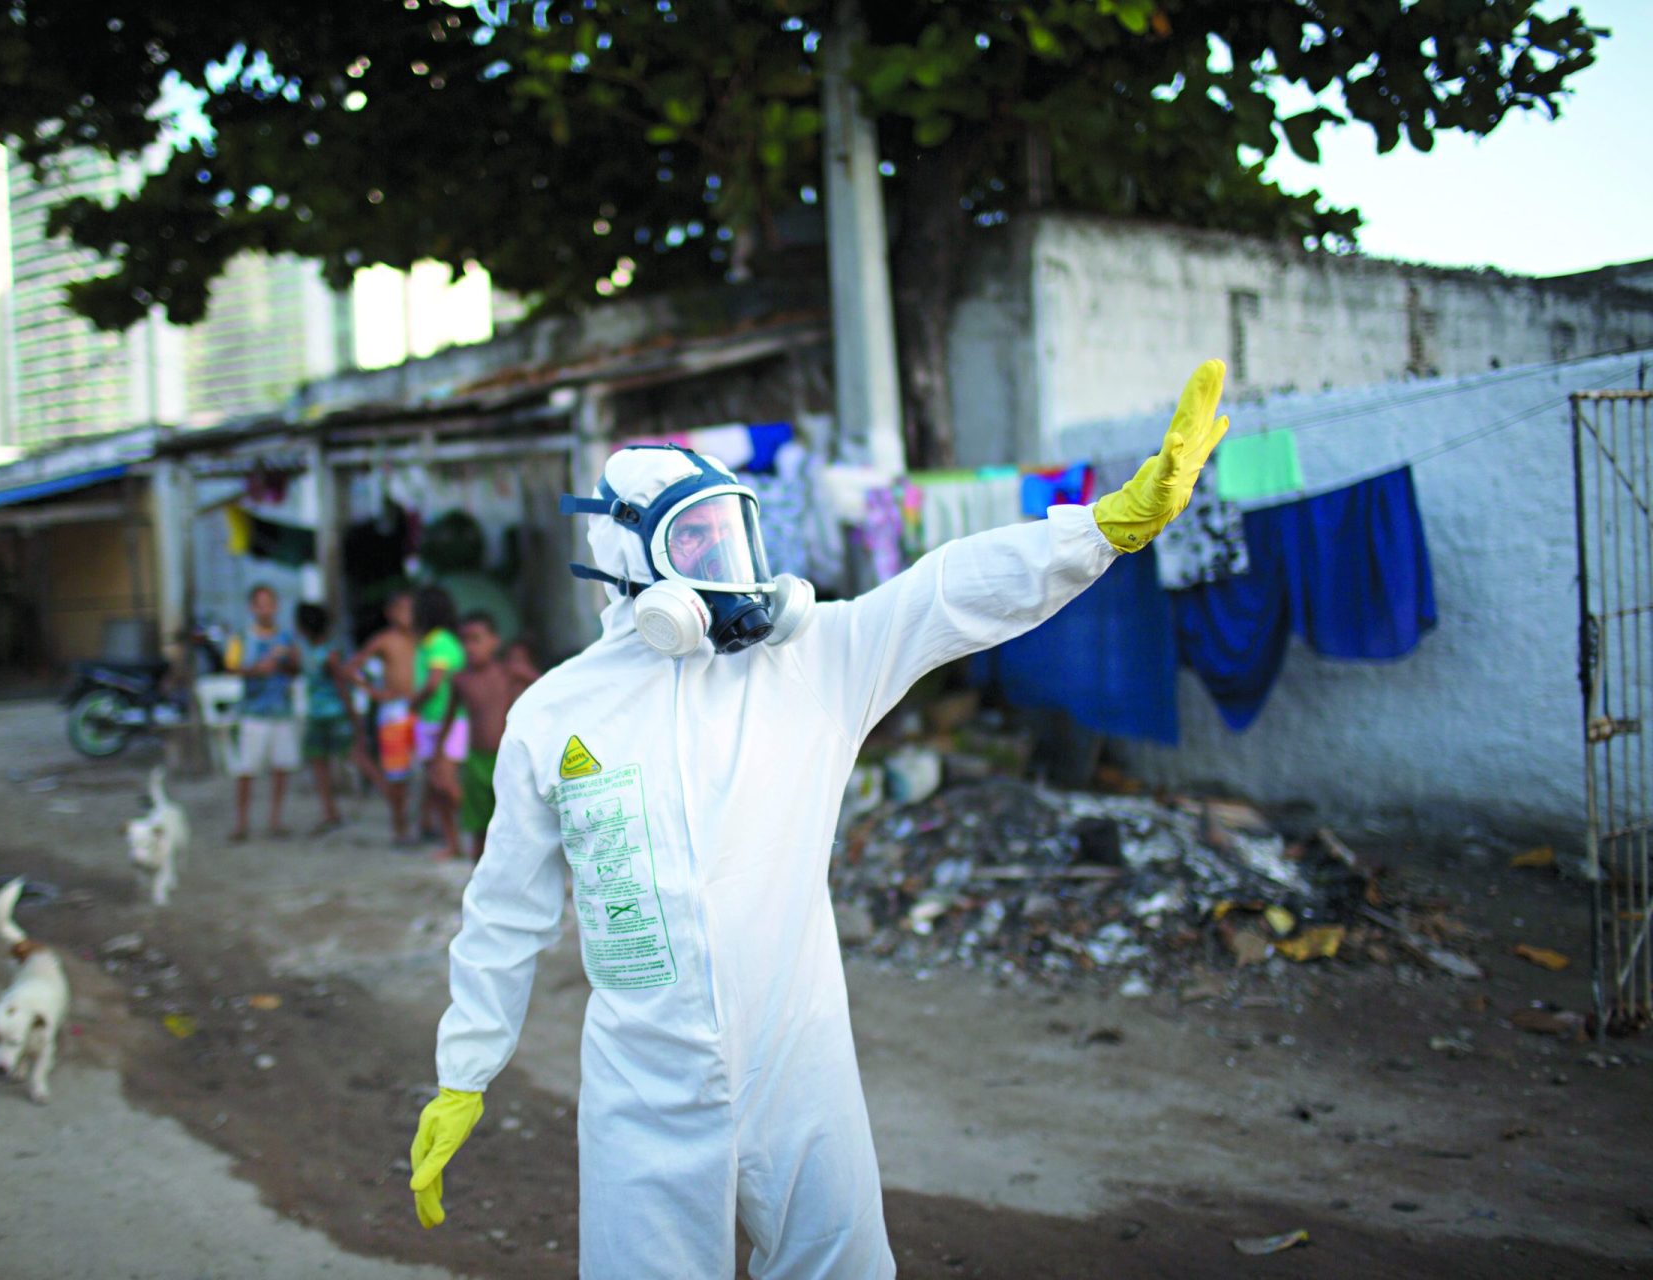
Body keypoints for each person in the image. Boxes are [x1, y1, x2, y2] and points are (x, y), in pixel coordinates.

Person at [408, 362, 1232, 1277]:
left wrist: (1102, 530)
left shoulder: (814, 665)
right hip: (645, 1090)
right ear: (630, 562)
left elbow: (947, 591)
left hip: (800, 1064)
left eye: (734, 535)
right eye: (699, 544)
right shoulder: (555, 716)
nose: (730, 570)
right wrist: (464, 1069)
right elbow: (506, 911)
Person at [432, 614, 534, 862]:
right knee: (479, 827)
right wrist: (439, 757)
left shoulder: (509, 673)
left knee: (516, 824)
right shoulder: (460, 679)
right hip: (476, 762)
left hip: (508, 759)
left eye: (476, 639)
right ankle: (479, 882)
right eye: (464, 641)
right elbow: (448, 718)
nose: (470, 647)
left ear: (494, 642)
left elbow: (549, 690)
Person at [224, 584, 300, 842]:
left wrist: (287, 661)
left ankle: (275, 820)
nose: (266, 609)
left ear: (276, 606)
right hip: (253, 713)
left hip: (281, 712)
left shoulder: (287, 639)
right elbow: (231, 668)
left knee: (282, 767)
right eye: (261, 604)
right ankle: (241, 822)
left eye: (269, 603)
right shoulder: (241, 638)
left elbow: (296, 669)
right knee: (246, 769)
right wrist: (258, 669)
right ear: (253, 608)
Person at [349, 592, 419, 841]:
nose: (407, 614)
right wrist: (375, 693)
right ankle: (399, 828)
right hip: (394, 711)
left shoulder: (422, 639)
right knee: (397, 774)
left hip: (419, 708)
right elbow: (352, 668)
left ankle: (420, 825)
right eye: (401, 609)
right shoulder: (384, 640)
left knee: (420, 774)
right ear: (390, 613)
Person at [410, 587, 466, 859]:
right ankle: (453, 842)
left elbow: (433, 681)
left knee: (444, 783)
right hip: (436, 719)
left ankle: (484, 825)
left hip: (445, 719)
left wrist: (414, 701)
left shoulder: (439, 641)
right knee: (438, 784)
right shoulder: (436, 640)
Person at [295, 602, 351, 836]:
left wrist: (352, 715)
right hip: (324, 715)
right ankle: (330, 812)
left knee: (329, 764)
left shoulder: (324, 653)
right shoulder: (313, 651)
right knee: (326, 764)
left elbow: (341, 684)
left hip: (331, 715)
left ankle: (331, 811)